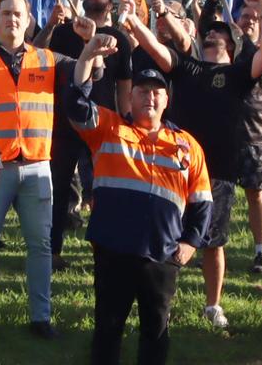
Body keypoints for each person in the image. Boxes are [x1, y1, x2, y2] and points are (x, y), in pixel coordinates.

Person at [122, 0, 262, 330]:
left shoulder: (238, 75)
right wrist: (134, 21)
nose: (213, 34)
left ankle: (212, 306)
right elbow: (159, 51)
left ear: (232, 45)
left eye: (221, 32)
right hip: (175, 169)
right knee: (164, 238)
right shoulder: (187, 66)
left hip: (218, 171)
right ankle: (160, 303)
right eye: (210, 31)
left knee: (213, 242)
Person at [67, 32, 212, 365]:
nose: (150, 97)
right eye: (142, 91)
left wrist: (190, 241)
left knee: (156, 330)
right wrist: (88, 55)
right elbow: (76, 103)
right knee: (107, 328)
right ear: (129, 99)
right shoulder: (108, 128)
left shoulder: (186, 144)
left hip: (161, 254)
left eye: (156, 92)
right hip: (113, 249)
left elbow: (202, 200)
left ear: (166, 100)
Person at [0, 0, 86, 338]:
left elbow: (83, 73)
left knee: (41, 245)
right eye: (5, 13)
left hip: (36, 166)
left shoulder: (47, 59)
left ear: (28, 18)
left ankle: (41, 318)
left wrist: (90, 45)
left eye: (18, 13)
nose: (12, 19)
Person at [38, 0, 133, 271]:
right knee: (58, 189)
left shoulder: (118, 38)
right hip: (64, 122)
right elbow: (37, 55)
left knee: (103, 191)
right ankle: (52, 251)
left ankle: (106, 251)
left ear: (109, 2)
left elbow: (123, 85)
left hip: (101, 125)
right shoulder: (64, 32)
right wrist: (52, 24)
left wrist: (127, 119)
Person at [201, 0, 262, 274]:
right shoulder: (225, 53)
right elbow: (205, 32)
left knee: (255, 194)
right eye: (244, 16)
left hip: (255, 137)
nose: (249, 21)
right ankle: (210, 244)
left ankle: (261, 252)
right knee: (217, 193)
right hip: (223, 137)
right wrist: (212, 1)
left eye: (254, 18)